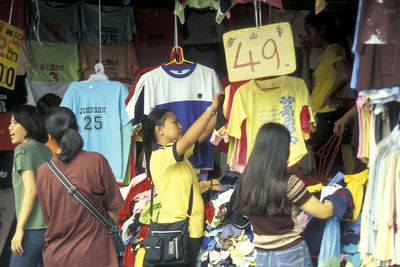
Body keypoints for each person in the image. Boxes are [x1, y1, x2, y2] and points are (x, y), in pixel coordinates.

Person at [233, 123, 337, 267]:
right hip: (291, 255)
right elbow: (324, 212)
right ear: (282, 151)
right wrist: (338, 196)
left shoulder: (246, 181)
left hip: (262, 257)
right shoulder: (289, 183)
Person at [142, 91, 224, 266]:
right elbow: (188, 139)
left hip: (187, 229)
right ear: (159, 129)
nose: (180, 126)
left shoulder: (177, 154)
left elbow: (204, 132)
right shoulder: (161, 155)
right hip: (177, 230)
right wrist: (212, 108)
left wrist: (221, 109)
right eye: (175, 122)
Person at [36, 107, 125, 267]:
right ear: (77, 128)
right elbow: (113, 208)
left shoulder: (44, 171)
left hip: (58, 257)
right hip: (97, 255)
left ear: (50, 136)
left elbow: (48, 217)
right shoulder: (96, 161)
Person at [300, 10, 351, 175]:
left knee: (331, 164)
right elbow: (306, 85)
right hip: (319, 116)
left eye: (309, 31)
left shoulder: (335, 49)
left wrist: (329, 95)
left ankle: (337, 197)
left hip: (329, 116)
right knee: (322, 164)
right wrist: (306, 56)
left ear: (321, 30)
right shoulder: (323, 56)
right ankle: (331, 196)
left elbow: (345, 74)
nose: (307, 37)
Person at [8, 104, 53, 267]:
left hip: (31, 229)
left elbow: (31, 190)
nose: (9, 127)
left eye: (14, 122)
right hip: (50, 228)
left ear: (27, 125)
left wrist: (19, 229)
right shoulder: (46, 150)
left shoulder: (23, 150)